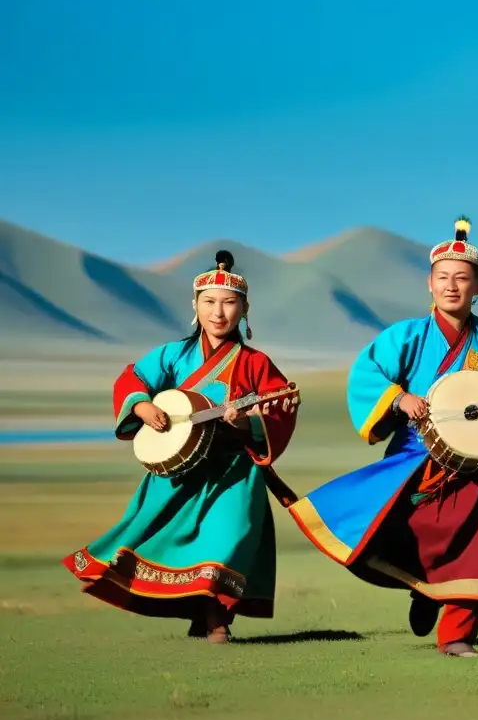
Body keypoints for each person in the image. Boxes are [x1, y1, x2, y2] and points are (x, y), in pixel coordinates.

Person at [289, 217, 478, 658]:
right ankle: (425, 591)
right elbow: (367, 373)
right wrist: (398, 399)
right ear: (429, 284)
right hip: (415, 458)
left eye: (463, 279)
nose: (452, 287)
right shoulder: (405, 336)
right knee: (406, 532)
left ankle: (457, 636)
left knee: (477, 546)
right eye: (443, 278)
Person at [62, 250, 300, 643]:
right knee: (166, 541)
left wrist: (247, 422)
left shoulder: (257, 363)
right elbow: (133, 377)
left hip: (233, 471)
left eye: (228, 303)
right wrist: (142, 405)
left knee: (228, 538)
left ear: (244, 308)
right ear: (195, 306)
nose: (218, 313)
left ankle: (216, 618)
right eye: (209, 302)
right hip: (177, 469)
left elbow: (279, 409)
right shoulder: (173, 355)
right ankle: (200, 612)